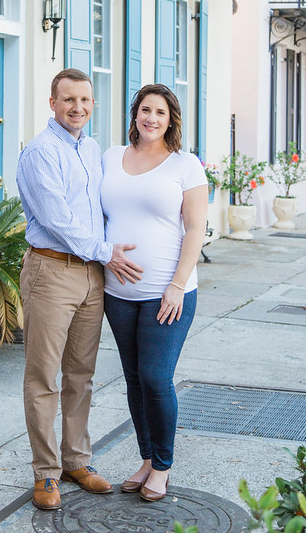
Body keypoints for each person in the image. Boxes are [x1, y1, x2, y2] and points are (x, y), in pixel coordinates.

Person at [16, 68, 143, 511]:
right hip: (52, 272)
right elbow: (57, 221)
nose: (78, 108)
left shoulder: (92, 150)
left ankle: (76, 461)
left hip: (92, 276)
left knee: (81, 376)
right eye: (68, 100)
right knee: (43, 377)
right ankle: (46, 474)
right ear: (52, 103)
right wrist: (108, 252)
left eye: (85, 100)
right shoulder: (40, 152)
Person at [101, 83, 208, 502]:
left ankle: (162, 465)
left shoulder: (185, 165)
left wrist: (177, 285)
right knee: (133, 379)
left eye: (160, 113)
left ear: (170, 120)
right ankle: (146, 458)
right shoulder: (112, 157)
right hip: (118, 291)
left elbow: (196, 228)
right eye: (145, 110)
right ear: (135, 114)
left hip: (168, 292)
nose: (151, 118)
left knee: (156, 378)